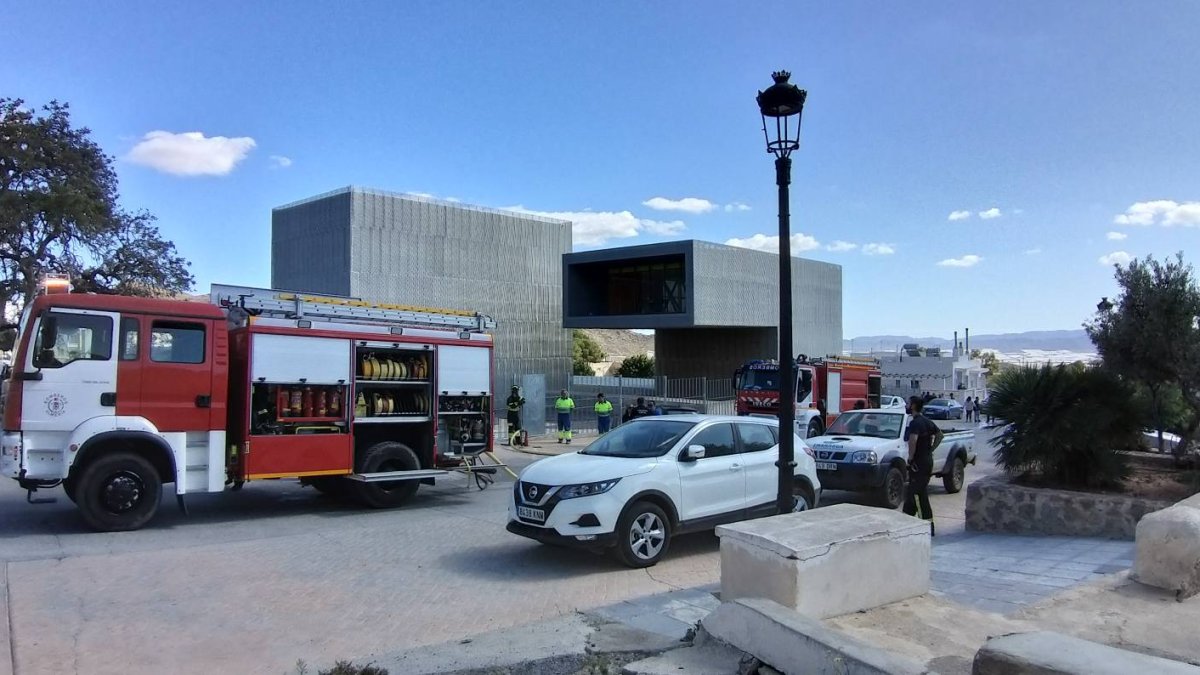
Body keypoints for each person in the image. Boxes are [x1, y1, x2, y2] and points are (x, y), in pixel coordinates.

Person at [904, 396, 944, 536]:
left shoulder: (916, 423)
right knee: (915, 493)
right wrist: (931, 449)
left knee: (917, 495)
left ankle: (926, 527)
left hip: (918, 463)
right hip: (926, 461)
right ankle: (906, 522)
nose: (907, 406)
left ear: (914, 406)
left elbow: (913, 440)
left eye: (908, 403)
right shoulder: (927, 422)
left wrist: (910, 457)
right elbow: (940, 435)